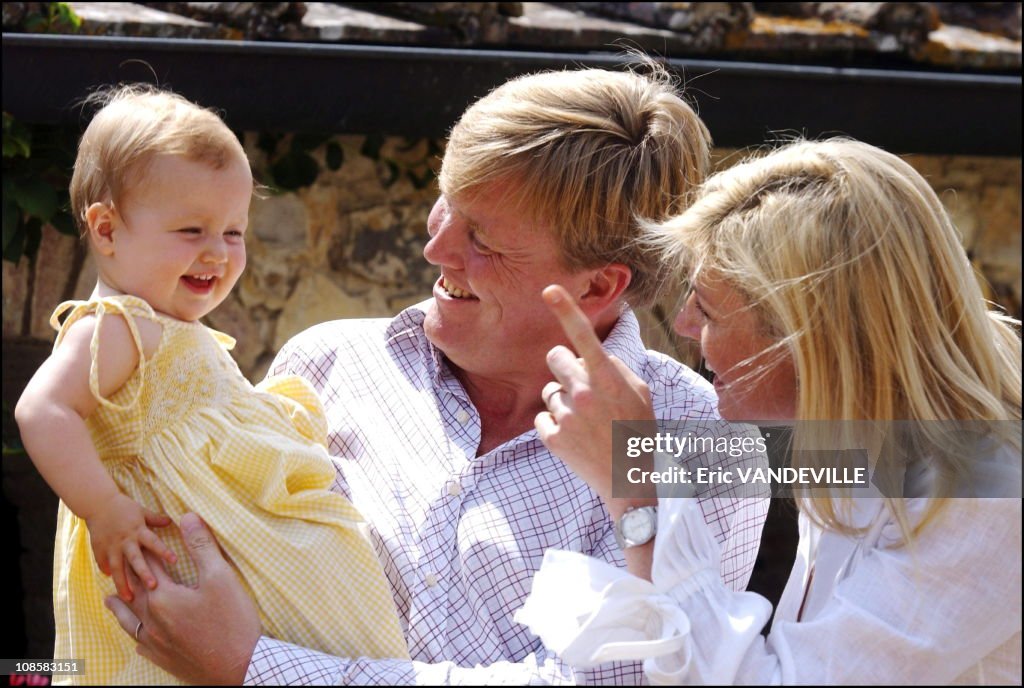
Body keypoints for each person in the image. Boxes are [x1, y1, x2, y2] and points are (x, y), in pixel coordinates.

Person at [103, 63, 770, 684]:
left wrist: (254, 668)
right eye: (446, 202)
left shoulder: (704, 446)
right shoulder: (326, 365)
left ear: (599, 287)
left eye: (482, 238)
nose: (435, 246)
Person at [516, 138, 1023, 684]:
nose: (684, 324)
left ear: (811, 338)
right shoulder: (859, 437)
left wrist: (636, 484)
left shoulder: (985, 490)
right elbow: (707, 462)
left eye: (707, 307)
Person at [14, 85, 408, 685]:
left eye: (233, 232)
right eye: (191, 230)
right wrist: (105, 509)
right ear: (107, 229)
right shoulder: (120, 326)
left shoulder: (161, 326)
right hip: (173, 554)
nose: (217, 253)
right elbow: (42, 411)